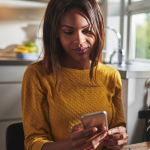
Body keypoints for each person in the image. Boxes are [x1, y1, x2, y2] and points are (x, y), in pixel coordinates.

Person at [21, 0, 128, 150]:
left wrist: (119, 139)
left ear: (98, 29)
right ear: (56, 32)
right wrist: (68, 146)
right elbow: (33, 143)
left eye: (87, 30)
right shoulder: (37, 75)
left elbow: (118, 128)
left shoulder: (111, 76)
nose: (79, 40)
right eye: (68, 32)